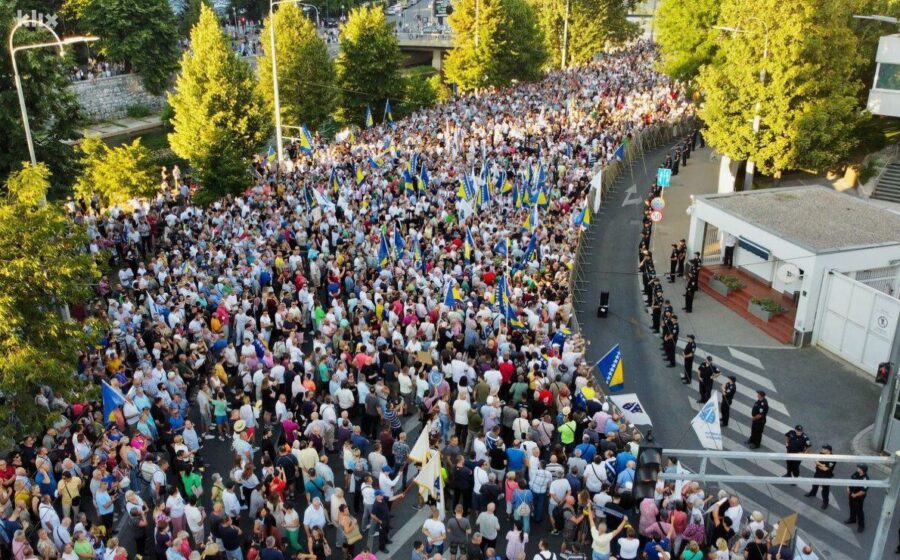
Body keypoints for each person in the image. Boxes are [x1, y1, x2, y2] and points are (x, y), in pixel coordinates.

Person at [845, 463, 869, 533]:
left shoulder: (865, 479)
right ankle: (852, 519)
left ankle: (861, 525)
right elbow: (850, 480)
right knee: (851, 507)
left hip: (858, 497)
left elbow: (863, 491)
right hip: (851, 494)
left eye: (858, 468)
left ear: (862, 470)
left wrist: (855, 495)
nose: (857, 468)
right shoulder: (856, 473)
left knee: (859, 510)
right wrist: (848, 487)